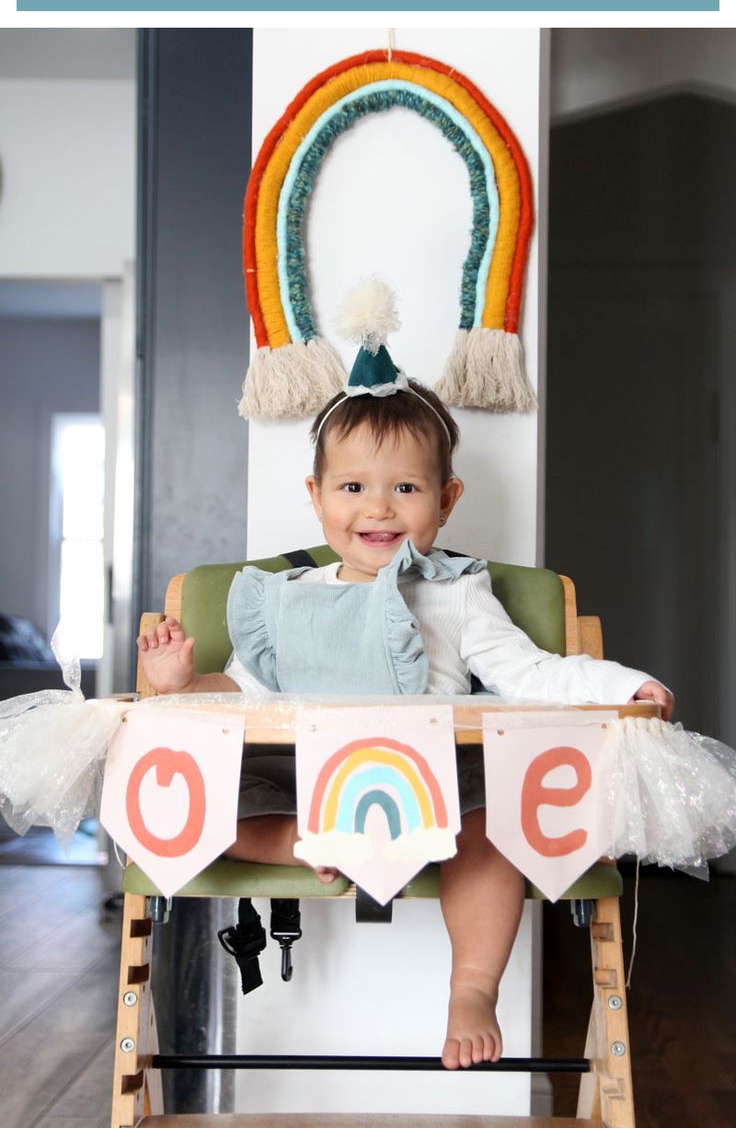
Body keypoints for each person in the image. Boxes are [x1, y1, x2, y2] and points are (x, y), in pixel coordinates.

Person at [138, 375, 673, 1071]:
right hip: (302, 783)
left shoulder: (457, 593)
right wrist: (185, 682)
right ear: (317, 495)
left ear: (446, 501)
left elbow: (534, 673)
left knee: (496, 822)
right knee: (205, 800)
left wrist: (627, 684)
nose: (379, 508)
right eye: (353, 487)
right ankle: (294, 840)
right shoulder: (283, 600)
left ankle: (472, 988)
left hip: (435, 791)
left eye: (407, 489)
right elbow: (239, 692)